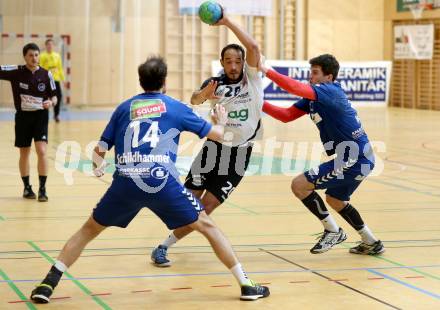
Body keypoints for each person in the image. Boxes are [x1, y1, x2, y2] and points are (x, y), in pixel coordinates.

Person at [29, 56, 270, 304]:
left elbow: (100, 147)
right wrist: (218, 120)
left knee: (87, 231)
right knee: (208, 227)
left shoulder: (124, 108)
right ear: (164, 82)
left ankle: (48, 283)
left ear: (141, 81)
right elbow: (219, 136)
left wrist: (98, 165)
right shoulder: (174, 107)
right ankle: (246, 285)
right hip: (160, 180)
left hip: (126, 182)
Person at [151, 10, 264, 267]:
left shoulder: (253, 79)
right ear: (222, 62)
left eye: (237, 61)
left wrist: (226, 21)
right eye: (228, 61)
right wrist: (204, 95)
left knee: (208, 206)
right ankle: (164, 243)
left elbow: (254, 45)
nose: (233, 66)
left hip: (238, 155)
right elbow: (194, 100)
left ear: (243, 62)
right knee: (189, 200)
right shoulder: (215, 83)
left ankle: (164, 246)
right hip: (213, 149)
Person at [260, 54, 385, 255]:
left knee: (299, 185)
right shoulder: (315, 98)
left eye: (315, 73)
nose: (311, 77)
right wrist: (258, 101)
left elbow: (294, 88)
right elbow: (286, 116)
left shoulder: (330, 91)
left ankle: (332, 231)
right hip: (359, 157)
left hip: (355, 158)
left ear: (329, 76)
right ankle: (371, 241)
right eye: (311, 72)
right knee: (335, 200)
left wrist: (266, 70)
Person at [0, 43, 57, 202]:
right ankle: (26, 187)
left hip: (40, 117)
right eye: (31, 55)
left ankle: (42, 189)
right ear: (25, 56)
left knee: (41, 151)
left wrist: (51, 103)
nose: (34, 58)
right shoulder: (16, 71)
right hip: (23, 118)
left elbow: (54, 96)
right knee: (24, 152)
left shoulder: (46, 75)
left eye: (37, 55)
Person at [39, 38, 65, 122]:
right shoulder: (42, 56)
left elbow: (60, 68)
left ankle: (56, 115)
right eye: (48, 44)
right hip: (46, 80)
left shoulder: (57, 56)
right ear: (46, 46)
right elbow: (40, 68)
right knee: (45, 98)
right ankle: (44, 115)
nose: (50, 46)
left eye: (51, 44)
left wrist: (63, 78)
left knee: (58, 97)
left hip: (56, 79)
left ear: (53, 46)